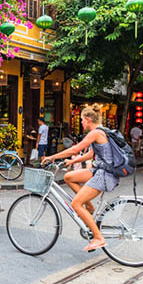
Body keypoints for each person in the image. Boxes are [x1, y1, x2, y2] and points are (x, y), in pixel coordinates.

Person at [40, 104, 119, 251]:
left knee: (76, 204)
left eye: (82, 120)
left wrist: (52, 157)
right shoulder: (101, 131)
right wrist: (72, 161)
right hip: (100, 170)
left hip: (103, 174)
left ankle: (98, 237)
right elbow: (90, 155)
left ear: (88, 119)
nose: (81, 122)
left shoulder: (95, 133)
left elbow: (76, 149)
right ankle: (89, 206)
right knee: (69, 177)